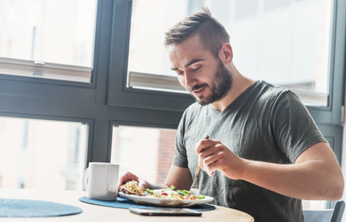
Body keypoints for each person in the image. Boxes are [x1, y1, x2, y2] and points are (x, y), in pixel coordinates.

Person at [118, 8, 344, 222]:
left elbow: (332, 184)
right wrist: (145, 188)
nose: (187, 82)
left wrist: (242, 168)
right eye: (179, 73)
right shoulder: (191, 116)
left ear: (226, 54)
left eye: (195, 67)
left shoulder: (278, 104)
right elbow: (176, 191)